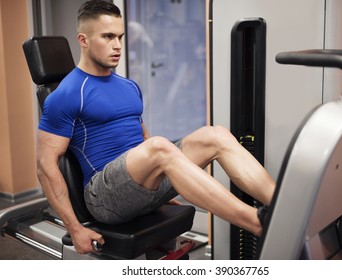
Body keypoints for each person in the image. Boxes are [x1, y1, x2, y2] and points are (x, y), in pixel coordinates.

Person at [36, 0, 276, 255]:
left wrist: (167, 184)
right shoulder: (68, 94)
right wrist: (75, 228)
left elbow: (142, 138)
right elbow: (45, 166)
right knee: (160, 146)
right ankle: (258, 223)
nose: (117, 45)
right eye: (107, 37)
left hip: (138, 184)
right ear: (83, 40)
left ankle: (281, 206)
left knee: (215, 135)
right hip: (104, 197)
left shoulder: (128, 86)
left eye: (120, 36)